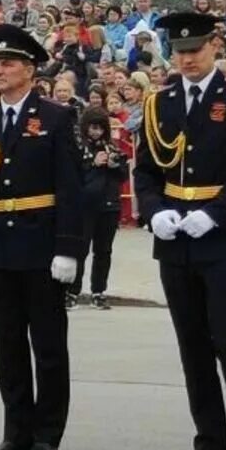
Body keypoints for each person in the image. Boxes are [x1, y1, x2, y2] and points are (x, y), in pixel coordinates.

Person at [0, 23, 83, 450]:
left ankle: (47, 432)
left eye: (8, 63)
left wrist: (69, 249)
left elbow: (71, 188)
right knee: (7, 343)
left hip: (41, 244)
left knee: (47, 344)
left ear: (30, 69)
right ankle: (16, 430)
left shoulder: (55, 117)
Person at [133, 12, 226, 450]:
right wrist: (154, 211)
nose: (188, 59)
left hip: (223, 239)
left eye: (195, 50)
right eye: (180, 52)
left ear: (214, 47)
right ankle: (210, 445)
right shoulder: (161, 105)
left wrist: (214, 213)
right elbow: (146, 171)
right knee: (192, 347)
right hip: (176, 240)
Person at [74, 108, 127, 311]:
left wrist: (115, 165)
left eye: (100, 128)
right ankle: (72, 291)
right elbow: (72, 175)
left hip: (108, 206)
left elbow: (123, 175)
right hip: (85, 206)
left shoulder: (111, 147)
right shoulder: (79, 149)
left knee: (103, 251)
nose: (96, 132)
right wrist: (91, 163)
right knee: (80, 250)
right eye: (92, 128)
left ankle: (99, 291)